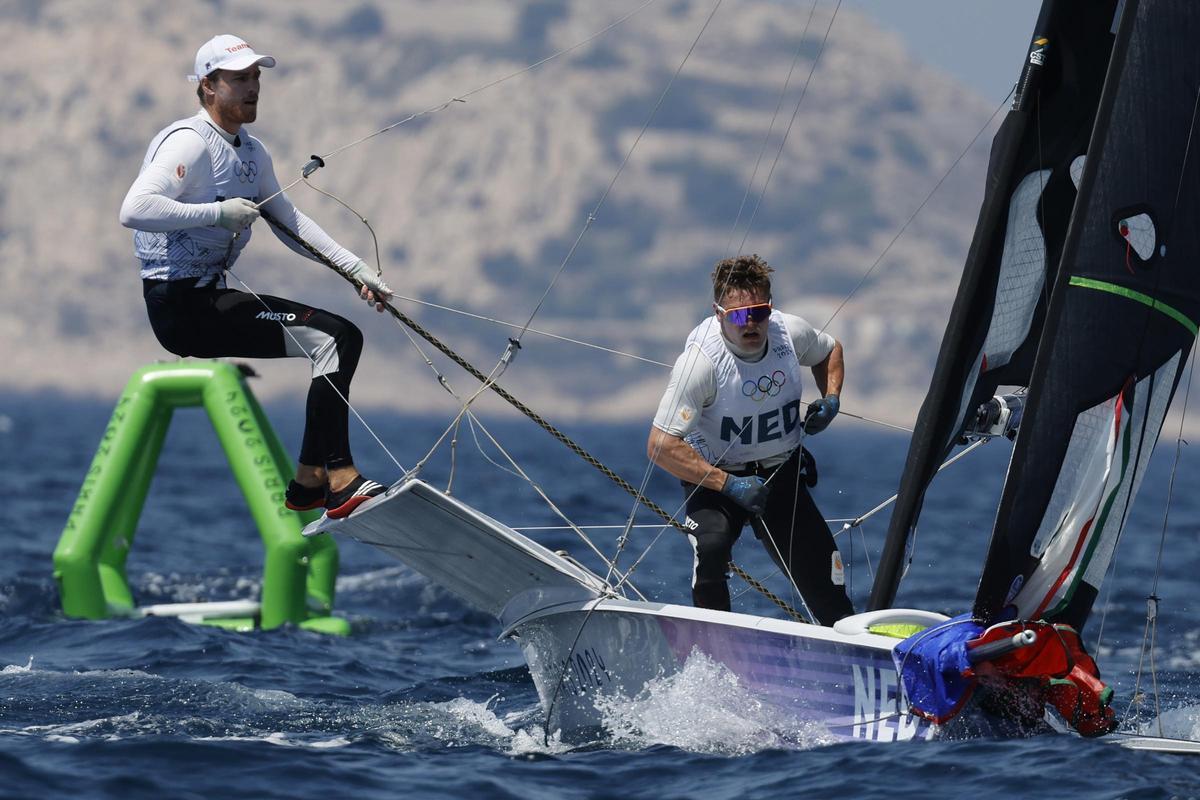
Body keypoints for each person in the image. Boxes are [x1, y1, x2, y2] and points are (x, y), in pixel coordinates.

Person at [119, 34, 393, 519]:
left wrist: (355, 270)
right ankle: (339, 479)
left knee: (339, 337)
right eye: (240, 79)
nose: (253, 87)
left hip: (210, 300)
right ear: (208, 86)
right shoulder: (190, 141)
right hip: (179, 308)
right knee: (333, 339)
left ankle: (311, 484)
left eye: (257, 77)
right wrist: (216, 213)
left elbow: (290, 223)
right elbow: (134, 209)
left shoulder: (252, 153)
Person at [646, 254, 854, 625]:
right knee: (711, 549)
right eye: (739, 316)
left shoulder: (789, 332)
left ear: (770, 308)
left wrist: (831, 398)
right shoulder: (700, 364)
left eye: (759, 313)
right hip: (717, 481)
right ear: (718, 313)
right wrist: (730, 485)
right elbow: (660, 445)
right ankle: (717, 652)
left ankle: (847, 650)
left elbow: (830, 350)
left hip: (780, 475)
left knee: (828, 583)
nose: (751, 324)